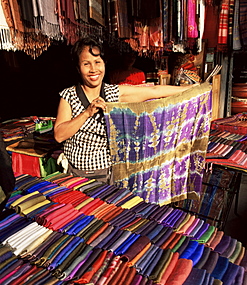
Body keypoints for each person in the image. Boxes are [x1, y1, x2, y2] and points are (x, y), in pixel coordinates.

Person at [54, 36, 195, 183]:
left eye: (97, 62)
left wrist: (190, 89)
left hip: (106, 173)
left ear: (104, 64)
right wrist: (86, 113)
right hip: (75, 174)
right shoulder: (69, 95)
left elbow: (154, 91)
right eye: (86, 64)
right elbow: (59, 135)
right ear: (78, 67)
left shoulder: (112, 93)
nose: (93, 69)